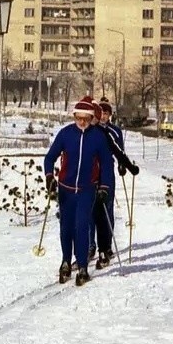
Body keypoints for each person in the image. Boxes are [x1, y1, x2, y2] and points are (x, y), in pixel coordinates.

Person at [43, 99, 114, 286]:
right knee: (66, 227)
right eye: (79, 118)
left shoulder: (98, 137)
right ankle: (66, 261)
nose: (82, 122)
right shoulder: (66, 134)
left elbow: (106, 164)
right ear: (74, 116)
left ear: (91, 118)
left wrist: (105, 187)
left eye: (86, 119)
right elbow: (50, 157)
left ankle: (82, 266)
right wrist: (50, 176)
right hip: (65, 189)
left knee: (82, 226)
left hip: (86, 189)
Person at [89, 99, 136, 268]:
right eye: (100, 113)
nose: (103, 116)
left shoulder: (114, 131)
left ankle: (107, 245)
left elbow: (119, 150)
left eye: (106, 113)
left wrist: (124, 165)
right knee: (91, 211)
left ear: (110, 115)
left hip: (107, 173)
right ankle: (90, 245)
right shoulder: (92, 130)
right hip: (92, 174)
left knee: (106, 209)